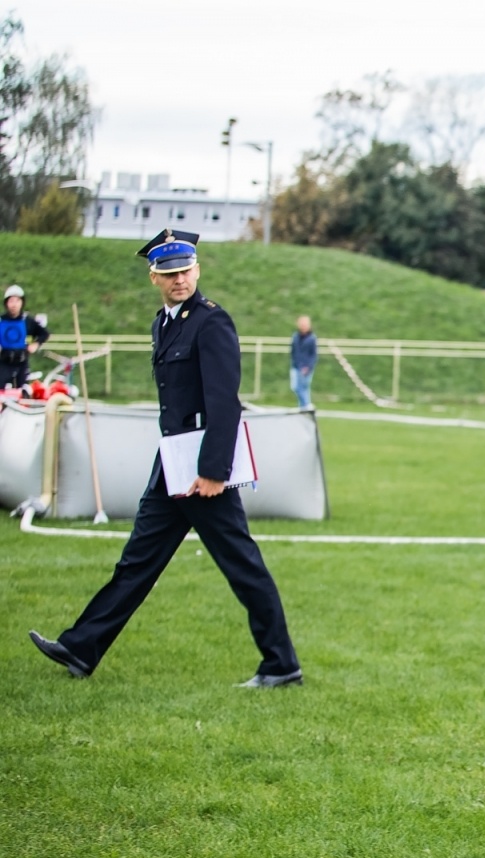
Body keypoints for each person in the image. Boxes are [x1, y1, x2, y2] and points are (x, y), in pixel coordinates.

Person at [28, 231, 301, 688]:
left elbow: (224, 402)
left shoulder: (211, 322)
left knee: (242, 566)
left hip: (203, 471)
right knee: (136, 563)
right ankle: (80, 647)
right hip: (171, 464)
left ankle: (281, 664)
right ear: (154, 276)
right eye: (170, 274)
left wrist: (214, 472)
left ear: (198, 269)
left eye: (186, 270)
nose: (180, 280)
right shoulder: (164, 323)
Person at [0, 283, 50, 390]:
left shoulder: (27, 320)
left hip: (21, 363)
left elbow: (44, 333)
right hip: (3, 362)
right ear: (6, 303)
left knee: (23, 392)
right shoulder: (1, 320)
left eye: (17, 301)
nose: (14, 304)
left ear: (22, 303)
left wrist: (36, 344)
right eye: (11, 301)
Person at [287, 315, 317, 410]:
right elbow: (293, 351)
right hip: (296, 366)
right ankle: (303, 406)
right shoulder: (296, 337)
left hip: (306, 368)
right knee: (295, 387)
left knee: (303, 387)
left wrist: (308, 366)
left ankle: (306, 406)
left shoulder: (312, 338)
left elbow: (313, 355)